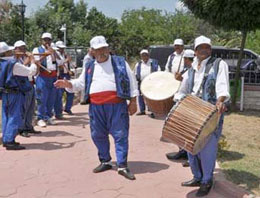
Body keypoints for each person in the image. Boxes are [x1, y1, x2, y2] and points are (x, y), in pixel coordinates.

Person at [54, 35, 138, 180]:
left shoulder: (120, 62)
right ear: (92, 51)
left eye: (104, 48)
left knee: (120, 134)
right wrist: (68, 84)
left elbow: (132, 82)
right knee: (97, 135)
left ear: (108, 48)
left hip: (117, 105)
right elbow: (80, 84)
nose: (102, 52)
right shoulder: (89, 66)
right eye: (98, 49)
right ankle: (105, 160)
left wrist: (133, 101)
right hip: (96, 107)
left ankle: (122, 165)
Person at [174, 36, 230, 197]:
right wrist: (179, 102)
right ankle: (197, 177)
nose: (204, 50)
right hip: (192, 112)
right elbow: (183, 90)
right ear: (196, 51)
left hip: (210, 113)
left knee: (207, 147)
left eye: (207, 47)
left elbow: (222, 85)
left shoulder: (219, 64)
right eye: (201, 48)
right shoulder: (191, 69)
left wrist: (220, 100)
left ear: (210, 49)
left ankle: (207, 180)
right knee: (191, 146)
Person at [0, 42, 38, 150]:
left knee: (6, 116)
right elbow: (31, 72)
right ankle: (9, 140)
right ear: (6, 52)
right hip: (14, 93)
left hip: (4, 92)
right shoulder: (13, 64)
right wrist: (33, 61)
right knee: (14, 116)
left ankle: (6, 138)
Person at [166, 49, 195, 167]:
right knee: (180, 130)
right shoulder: (186, 70)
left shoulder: (194, 71)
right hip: (180, 101)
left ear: (187, 59)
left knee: (189, 131)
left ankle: (191, 156)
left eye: (185, 59)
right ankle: (183, 151)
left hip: (188, 103)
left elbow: (192, 85)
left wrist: (181, 79)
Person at [33, 32, 63, 127]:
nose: (47, 41)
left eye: (48, 39)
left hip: (53, 77)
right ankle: (40, 117)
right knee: (42, 97)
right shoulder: (37, 49)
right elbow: (36, 61)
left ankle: (48, 116)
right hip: (42, 76)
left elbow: (61, 62)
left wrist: (54, 53)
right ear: (42, 40)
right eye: (45, 39)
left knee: (51, 98)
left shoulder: (54, 50)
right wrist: (46, 54)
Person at [14, 40, 42, 137]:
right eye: (21, 48)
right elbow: (23, 69)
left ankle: (28, 126)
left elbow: (34, 72)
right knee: (24, 108)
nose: (23, 50)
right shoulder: (15, 59)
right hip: (22, 86)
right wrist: (31, 60)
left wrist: (35, 63)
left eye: (24, 48)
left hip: (30, 84)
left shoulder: (23, 58)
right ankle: (21, 128)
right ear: (15, 49)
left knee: (31, 107)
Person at [134, 49, 159, 117]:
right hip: (141, 82)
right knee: (141, 97)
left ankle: (152, 111)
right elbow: (135, 73)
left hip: (151, 83)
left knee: (151, 97)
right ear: (141, 56)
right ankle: (142, 110)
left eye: (145, 55)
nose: (144, 56)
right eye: (143, 55)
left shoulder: (153, 63)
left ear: (148, 55)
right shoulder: (138, 64)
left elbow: (158, 72)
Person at [54, 41, 75, 118]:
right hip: (61, 75)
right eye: (60, 48)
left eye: (63, 48)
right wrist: (66, 60)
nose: (62, 50)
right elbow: (59, 65)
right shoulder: (56, 55)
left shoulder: (65, 55)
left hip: (67, 75)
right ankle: (58, 111)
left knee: (71, 92)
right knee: (60, 94)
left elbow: (68, 64)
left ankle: (68, 108)